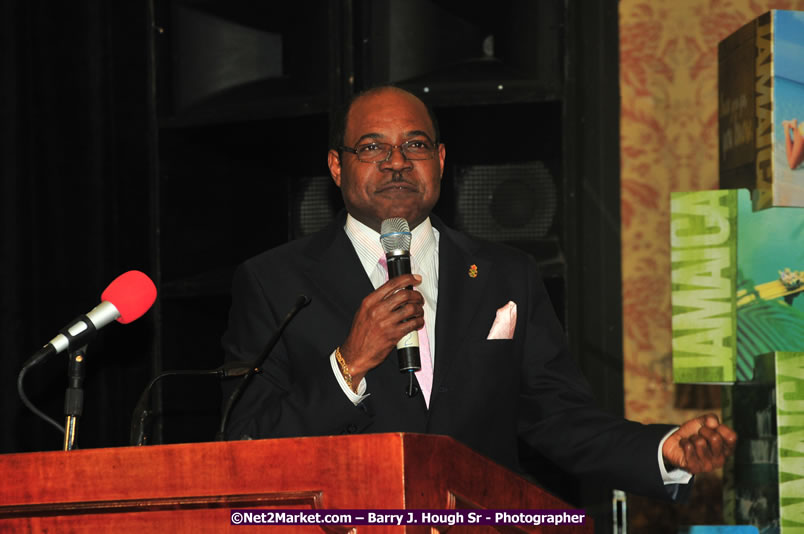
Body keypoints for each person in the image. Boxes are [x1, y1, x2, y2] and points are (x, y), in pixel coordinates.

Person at [221, 86, 736, 500]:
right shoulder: (273, 282)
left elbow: (558, 416)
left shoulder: (506, 274)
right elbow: (244, 445)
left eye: (416, 144)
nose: (397, 161)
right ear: (337, 166)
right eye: (373, 146)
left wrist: (663, 448)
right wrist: (347, 367)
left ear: (441, 160)